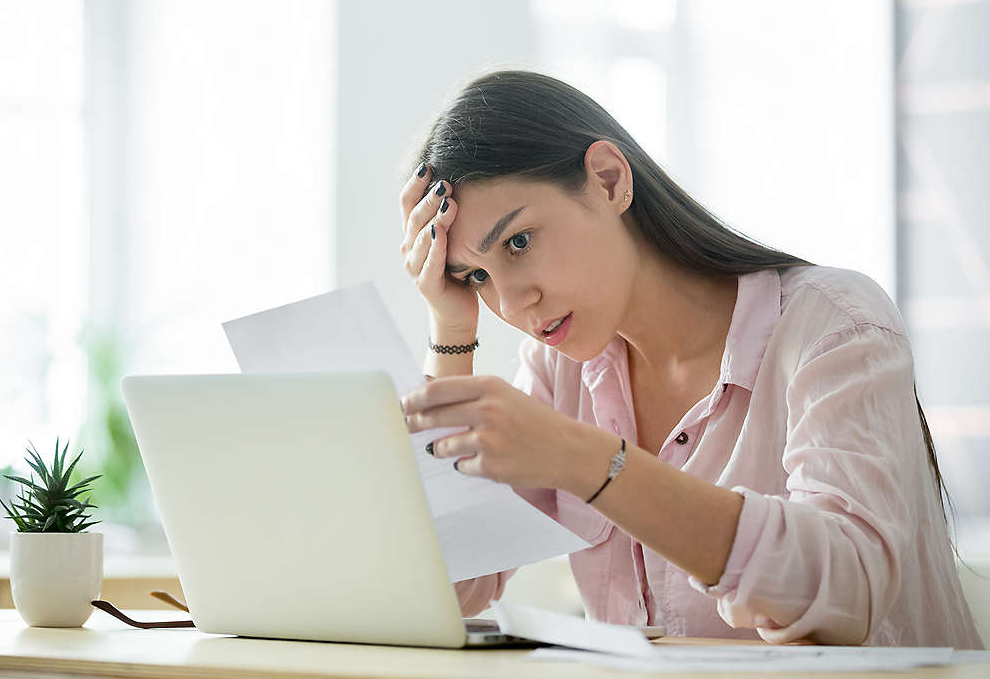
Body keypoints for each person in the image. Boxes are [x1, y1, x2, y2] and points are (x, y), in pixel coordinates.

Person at [396, 70, 982, 648]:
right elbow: (451, 586)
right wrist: (451, 332)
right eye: (476, 276)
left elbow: (844, 595)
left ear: (607, 180)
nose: (512, 302)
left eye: (518, 242)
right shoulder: (559, 370)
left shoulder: (833, 324)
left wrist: (596, 464)